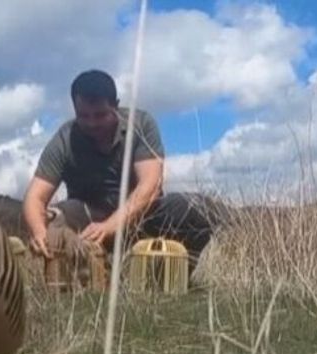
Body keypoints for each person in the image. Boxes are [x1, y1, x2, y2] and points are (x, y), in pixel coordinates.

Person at [23, 69, 221, 261]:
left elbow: (150, 186)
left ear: (115, 106)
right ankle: (81, 279)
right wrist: (39, 233)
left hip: (143, 219)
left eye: (100, 115)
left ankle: (170, 277)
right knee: (54, 220)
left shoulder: (141, 124)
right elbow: (35, 197)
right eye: (84, 116)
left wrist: (110, 226)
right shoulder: (64, 139)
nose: (92, 123)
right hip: (89, 227)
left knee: (192, 208)